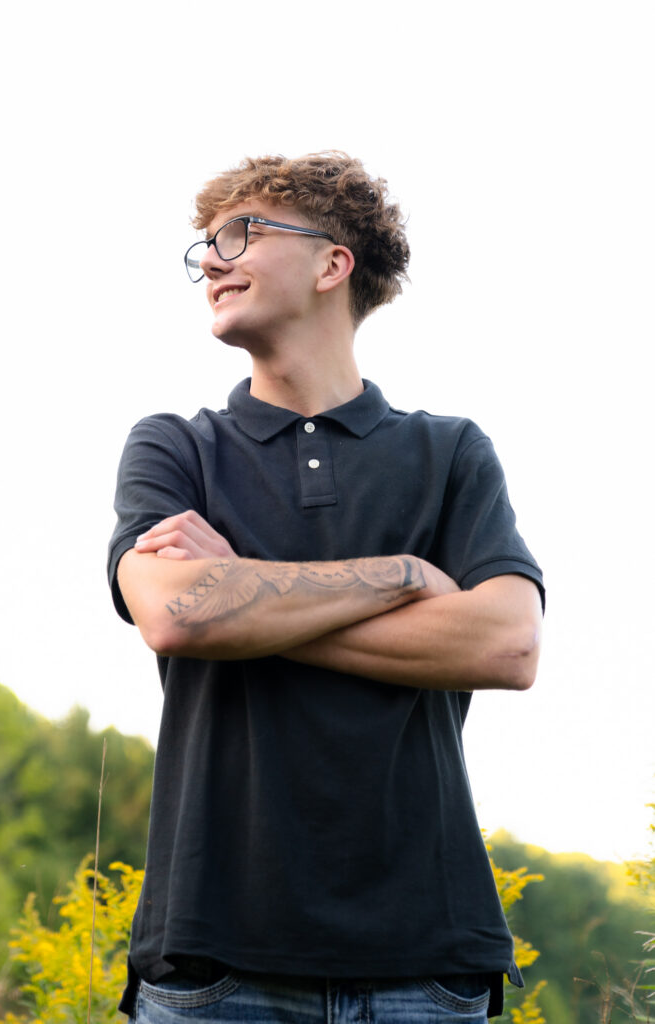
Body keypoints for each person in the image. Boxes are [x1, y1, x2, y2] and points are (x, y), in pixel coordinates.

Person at [107, 151, 544, 1023]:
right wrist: (406, 577)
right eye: (205, 245)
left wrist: (242, 592)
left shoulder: (449, 451)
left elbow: (507, 644)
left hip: (426, 965)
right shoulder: (174, 447)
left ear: (331, 263)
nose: (212, 261)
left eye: (242, 233)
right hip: (213, 961)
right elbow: (176, 615)